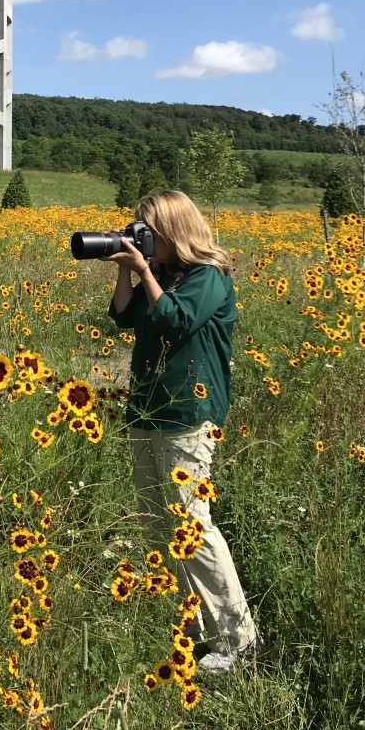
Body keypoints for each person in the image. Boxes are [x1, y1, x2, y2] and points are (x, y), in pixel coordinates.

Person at [106, 189, 258, 673]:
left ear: (173, 230)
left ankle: (238, 638)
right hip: (148, 410)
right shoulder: (166, 274)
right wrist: (126, 268)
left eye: (146, 231)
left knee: (192, 526)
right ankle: (191, 625)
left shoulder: (208, 275)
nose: (140, 238)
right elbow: (123, 316)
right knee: (159, 525)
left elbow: (176, 320)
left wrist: (146, 272)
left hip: (188, 416)